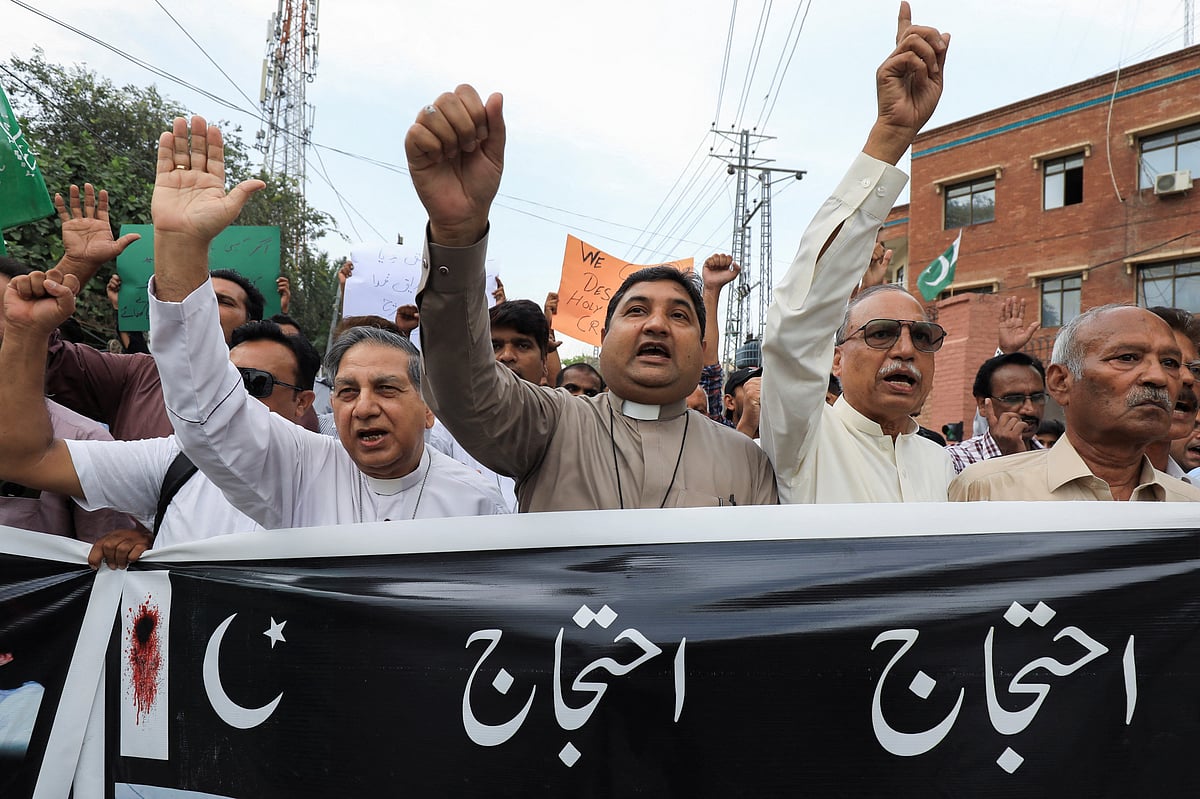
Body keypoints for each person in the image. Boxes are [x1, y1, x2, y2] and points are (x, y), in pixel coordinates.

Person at [405, 92, 777, 510]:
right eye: (636, 310)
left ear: (702, 345)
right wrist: (456, 235)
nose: (656, 325)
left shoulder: (748, 462)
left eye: (678, 315)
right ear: (603, 336)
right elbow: (462, 382)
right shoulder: (550, 424)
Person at [143, 114, 508, 528]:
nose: (365, 408)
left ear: (428, 410)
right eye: (348, 392)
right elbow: (208, 412)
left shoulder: (477, 502)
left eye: (387, 389)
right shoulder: (298, 470)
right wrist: (180, 248)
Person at [760, 3, 955, 503]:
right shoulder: (802, 441)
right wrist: (890, 138)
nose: (906, 350)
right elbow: (797, 323)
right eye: (882, 333)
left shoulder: (943, 464)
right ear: (836, 359)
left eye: (924, 336)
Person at [0, 273, 322, 565]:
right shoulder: (166, 457)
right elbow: (29, 458)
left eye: (255, 383)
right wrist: (163, 539)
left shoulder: (325, 469)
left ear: (302, 404)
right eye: (228, 381)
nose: (234, 397)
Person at [950, 305, 1200, 501]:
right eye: (1127, 358)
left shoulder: (1188, 505)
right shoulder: (988, 490)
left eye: (1169, 363)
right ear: (1060, 382)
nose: (1157, 377)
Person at [945, 353, 1047, 473]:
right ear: (983, 405)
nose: (1030, 409)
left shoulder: (1056, 460)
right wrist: (1012, 461)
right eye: (1013, 398)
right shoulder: (954, 461)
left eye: (1037, 397)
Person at [1144, 306, 1200, 477]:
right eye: (1169, 362)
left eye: (1196, 369)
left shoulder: (1192, 494)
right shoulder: (1061, 488)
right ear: (1062, 381)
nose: (1188, 378)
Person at [723, 366, 762, 439]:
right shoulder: (720, 437)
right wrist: (748, 426)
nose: (760, 392)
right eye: (751, 387)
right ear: (730, 402)